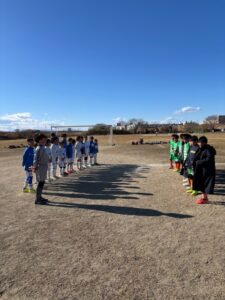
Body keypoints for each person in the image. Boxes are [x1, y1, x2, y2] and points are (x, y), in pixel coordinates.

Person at [192, 136, 216, 204]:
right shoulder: (201, 148)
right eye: (199, 142)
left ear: (205, 143)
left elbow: (209, 159)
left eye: (201, 143)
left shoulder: (208, 149)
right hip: (201, 169)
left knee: (204, 184)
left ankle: (204, 198)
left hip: (207, 170)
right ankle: (204, 197)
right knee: (201, 183)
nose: (199, 144)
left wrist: (199, 162)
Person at [33, 134, 49, 205]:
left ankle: (40, 197)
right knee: (40, 183)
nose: (45, 140)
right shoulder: (38, 148)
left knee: (42, 182)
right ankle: (37, 199)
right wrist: (35, 167)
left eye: (45, 139)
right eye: (43, 139)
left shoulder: (43, 147)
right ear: (39, 140)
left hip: (44, 166)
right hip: (41, 167)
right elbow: (35, 159)